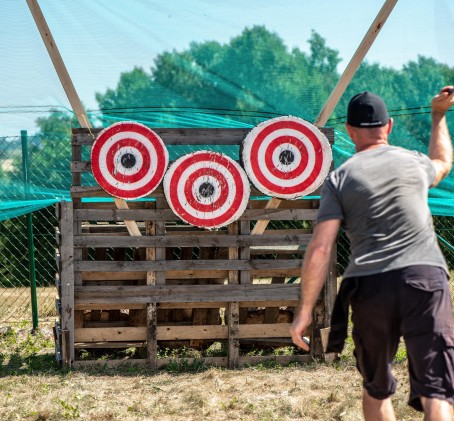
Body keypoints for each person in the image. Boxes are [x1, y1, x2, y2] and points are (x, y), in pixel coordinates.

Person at [290, 87, 454, 420]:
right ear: (389, 127)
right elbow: (443, 162)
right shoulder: (413, 162)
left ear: (350, 131)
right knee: (436, 389)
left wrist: (305, 310)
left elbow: (321, 248)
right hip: (424, 278)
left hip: (369, 287)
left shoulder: (339, 178)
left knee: (376, 387)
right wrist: (438, 115)